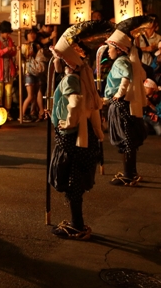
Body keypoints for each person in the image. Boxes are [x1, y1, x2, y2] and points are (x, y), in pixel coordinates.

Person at [48, 31, 104, 240]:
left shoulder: (71, 78)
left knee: (72, 180)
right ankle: (77, 222)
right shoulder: (80, 76)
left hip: (72, 135)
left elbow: (75, 102)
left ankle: (77, 225)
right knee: (75, 179)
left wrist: (67, 122)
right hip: (81, 133)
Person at [104, 22, 147, 187]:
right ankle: (131, 172)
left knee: (125, 139)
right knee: (129, 139)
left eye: (110, 48)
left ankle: (128, 175)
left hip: (121, 105)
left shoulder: (121, 62)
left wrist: (118, 94)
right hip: (125, 104)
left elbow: (126, 77)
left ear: (119, 48)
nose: (108, 51)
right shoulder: (124, 60)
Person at [0, 21, 17, 120]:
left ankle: (7, 112)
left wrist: (14, 50)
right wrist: (5, 50)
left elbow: (13, 54)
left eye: (8, 33)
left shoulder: (9, 40)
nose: (8, 35)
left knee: (9, 93)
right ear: (1, 32)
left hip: (9, 71)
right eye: (6, 32)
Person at [20, 27, 42, 122]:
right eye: (30, 33)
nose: (32, 35)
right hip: (28, 71)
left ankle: (33, 113)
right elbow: (23, 58)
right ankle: (21, 114)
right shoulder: (23, 46)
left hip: (36, 70)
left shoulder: (37, 45)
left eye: (33, 33)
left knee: (35, 94)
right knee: (30, 95)